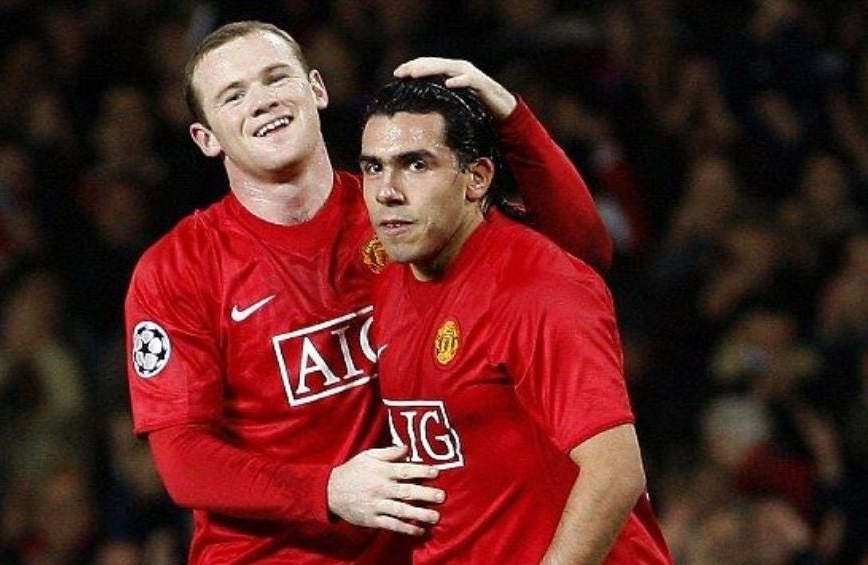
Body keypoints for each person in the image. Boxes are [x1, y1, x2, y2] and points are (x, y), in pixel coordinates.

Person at [124, 21, 612, 564]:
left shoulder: (401, 211)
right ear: (206, 138)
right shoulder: (178, 269)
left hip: (423, 548)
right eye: (233, 95)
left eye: (275, 78)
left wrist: (511, 117)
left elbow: (579, 255)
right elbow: (184, 460)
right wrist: (327, 490)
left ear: (317, 89)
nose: (261, 101)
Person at [360, 77, 672, 564]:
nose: (387, 191)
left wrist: (515, 118)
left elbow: (615, 472)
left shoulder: (537, 288)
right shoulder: (387, 270)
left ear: (477, 178)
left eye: (416, 165)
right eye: (373, 167)